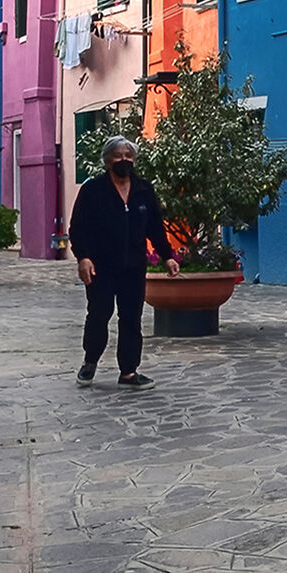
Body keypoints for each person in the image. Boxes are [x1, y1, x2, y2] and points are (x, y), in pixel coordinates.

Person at [67, 136, 178, 390]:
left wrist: (167, 255)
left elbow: (155, 227)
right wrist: (83, 257)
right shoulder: (93, 190)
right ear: (107, 161)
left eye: (128, 156)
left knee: (131, 318)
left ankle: (128, 371)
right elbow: (78, 228)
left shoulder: (143, 190)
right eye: (118, 156)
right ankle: (90, 361)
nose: (124, 160)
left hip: (133, 267)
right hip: (100, 267)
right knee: (99, 314)